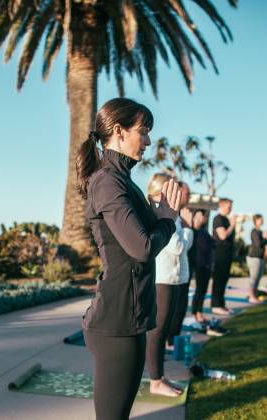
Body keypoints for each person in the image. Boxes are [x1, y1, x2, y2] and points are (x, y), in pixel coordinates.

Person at [76, 98, 181, 420]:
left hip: (127, 318)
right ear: (119, 132)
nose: (148, 141)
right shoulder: (108, 182)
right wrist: (167, 219)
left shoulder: (122, 181)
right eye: (144, 132)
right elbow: (142, 248)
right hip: (115, 323)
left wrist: (162, 216)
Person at [145, 175, 193, 397]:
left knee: (163, 330)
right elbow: (178, 247)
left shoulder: (171, 216)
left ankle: (159, 377)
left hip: (172, 278)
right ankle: (155, 381)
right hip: (162, 279)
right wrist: (188, 229)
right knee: (158, 331)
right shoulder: (164, 215)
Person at [166, 182, 194, 350]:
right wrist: (188, 229)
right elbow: (178, 247)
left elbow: (184, 247)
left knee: (179, 311)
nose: (189, 196)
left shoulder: (179, 217)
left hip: (180, 274)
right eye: (186, 193)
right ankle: (168, 343)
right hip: (168, 276)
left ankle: (173, 341)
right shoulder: (172, 216)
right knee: (169, 316)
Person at [211, 198, 237, 315]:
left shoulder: (226, 219)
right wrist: (232, 225)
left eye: (231, 207)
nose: (230, 209)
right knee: (219, 280)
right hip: (220, 254)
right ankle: (216, 305)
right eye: (228, 206)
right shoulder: (218, 219)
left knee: (224, 280)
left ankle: (222, 305)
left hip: (227, 254)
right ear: (222, 205)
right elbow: (222, 236)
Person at [191, 210, 216, 324]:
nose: (203, 218)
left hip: (206, 264)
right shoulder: (195, 231)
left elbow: (213, 244)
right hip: (200, 264)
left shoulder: (204, 231)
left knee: (202, 290)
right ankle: (196, 313)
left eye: (204, 216)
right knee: (200, 290)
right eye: (200, 216)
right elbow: (205, 246)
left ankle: (198, 312)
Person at [247, 214, 267, 304]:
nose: (262, 221)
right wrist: (264, 238)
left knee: (258, 277)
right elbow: (258, 244)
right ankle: (251, 296)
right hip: (254, 257)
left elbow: (263, 243)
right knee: (254, 277)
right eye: (260, 219)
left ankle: (254, 295)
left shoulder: (260, 231)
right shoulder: (254, 232)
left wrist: (264, 238)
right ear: (256, 220)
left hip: (260, 257)